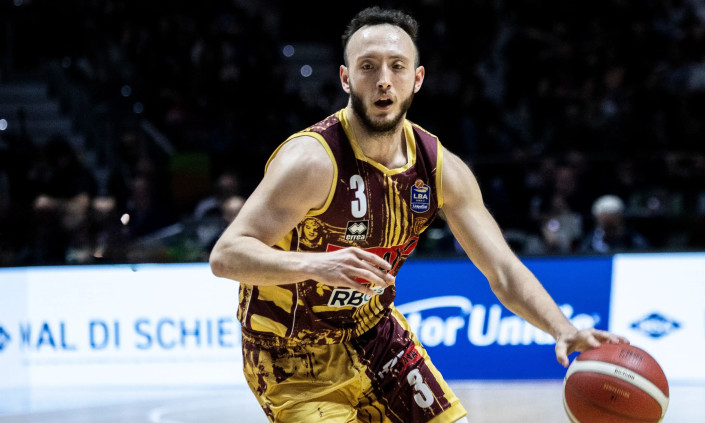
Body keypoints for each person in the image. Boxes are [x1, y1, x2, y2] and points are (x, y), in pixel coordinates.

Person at [210, 7, 628, 423]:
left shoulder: (439, 168)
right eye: (368, 66)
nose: (384, 80)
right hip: (289, 357)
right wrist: (317, 265)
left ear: (417, 78)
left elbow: (502, 269)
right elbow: (226, 256)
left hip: (377, 340)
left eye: (397, 66)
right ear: (346, 78)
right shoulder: (311, 161)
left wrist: (562, 328)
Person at [579, 194, 650, 254]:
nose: (607, 222)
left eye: (611, 217)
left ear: (620, 217)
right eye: (603, 218)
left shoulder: (634, 240)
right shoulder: (590, 241)